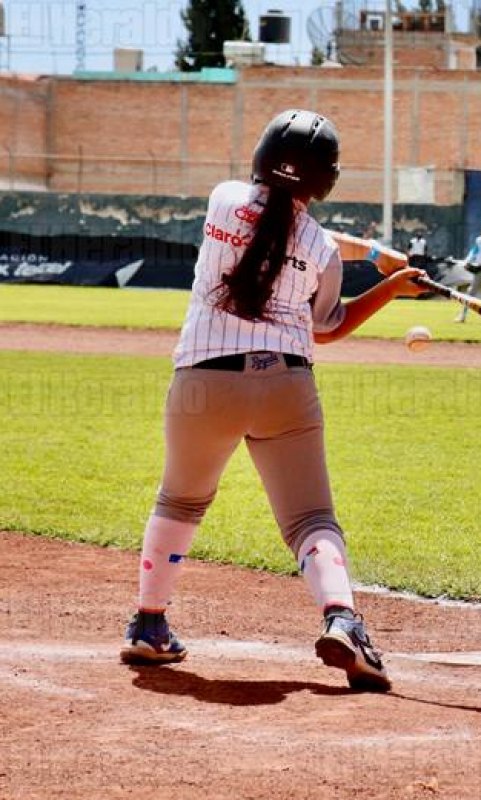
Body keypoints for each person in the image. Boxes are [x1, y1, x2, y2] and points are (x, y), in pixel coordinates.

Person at [118, 109, 426, 692]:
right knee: (311, 520)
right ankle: (342, 620)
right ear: (325, 181)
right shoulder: (322, 250)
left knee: (179, 502)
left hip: (202, 382)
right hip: (285, 385)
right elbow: (327, 326)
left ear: (262, 157)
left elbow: (271, 222)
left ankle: (149, 625)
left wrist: (372, 254)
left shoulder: (222, 198)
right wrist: (388, 284)